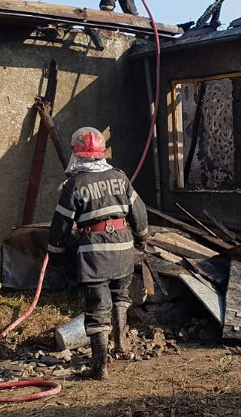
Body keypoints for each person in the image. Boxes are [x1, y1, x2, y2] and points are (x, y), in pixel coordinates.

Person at [46, 126, 149, 380]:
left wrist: (56, 253)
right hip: (123, 249)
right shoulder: (120, 177)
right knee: (120, 295)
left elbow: (60, 226)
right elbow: (139, 213)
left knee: (97, 306)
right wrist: (141, 239)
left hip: (95, 255)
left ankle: (99, 366)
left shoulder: (74, 185)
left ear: (77, 154)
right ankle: (121, 345)